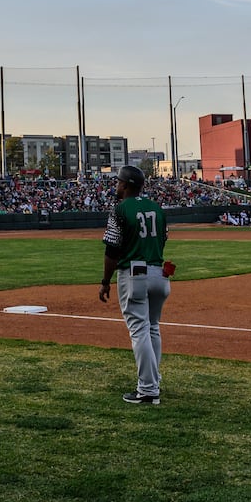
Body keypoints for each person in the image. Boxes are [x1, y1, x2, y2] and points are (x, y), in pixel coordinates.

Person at [98, 165, 170, 405]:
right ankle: (153, 381)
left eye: (118, 182)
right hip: (160, 273)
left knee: (139, 330)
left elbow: (112, 251)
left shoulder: (120, 210)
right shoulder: (157, 209)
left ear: (126, 185)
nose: (116, 185)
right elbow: (163, 239)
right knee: (152, 327)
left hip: (134, 274)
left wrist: (105, 281)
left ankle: (148, 390)